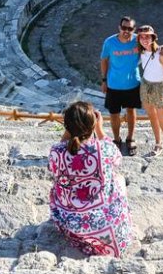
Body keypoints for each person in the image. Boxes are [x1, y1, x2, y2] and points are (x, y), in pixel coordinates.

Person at [48, 101, 132, 257]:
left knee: (55, 185)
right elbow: (118, 159)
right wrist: (99, 130)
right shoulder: (104, 148)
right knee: (119, 178)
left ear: (67, 126)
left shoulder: (56, 151)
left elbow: (53, 166)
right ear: (92, 124)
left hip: (72, 225)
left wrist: (68, 132)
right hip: (108, 228)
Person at [100, 16, 141, 155]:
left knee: (131, 111)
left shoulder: (138, 40)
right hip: (114, 84)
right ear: (119, 27)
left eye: (130, 28)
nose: (126, 31)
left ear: (134, 29)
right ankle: (116, 139)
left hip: (133, 83)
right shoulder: (109, 42)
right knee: (114, 114)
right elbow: (104, 60)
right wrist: (104, 80)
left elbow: (152, 47)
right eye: (124, 27)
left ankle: (130, 138)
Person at [136, 25, 163, 161]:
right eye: (141, 37)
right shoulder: (141, 51)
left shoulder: (162, 53)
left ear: (153, 37)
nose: (144, 39)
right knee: (152, 118)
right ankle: (158, 145)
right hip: (146, 86)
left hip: (160, 89)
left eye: (147, 36)